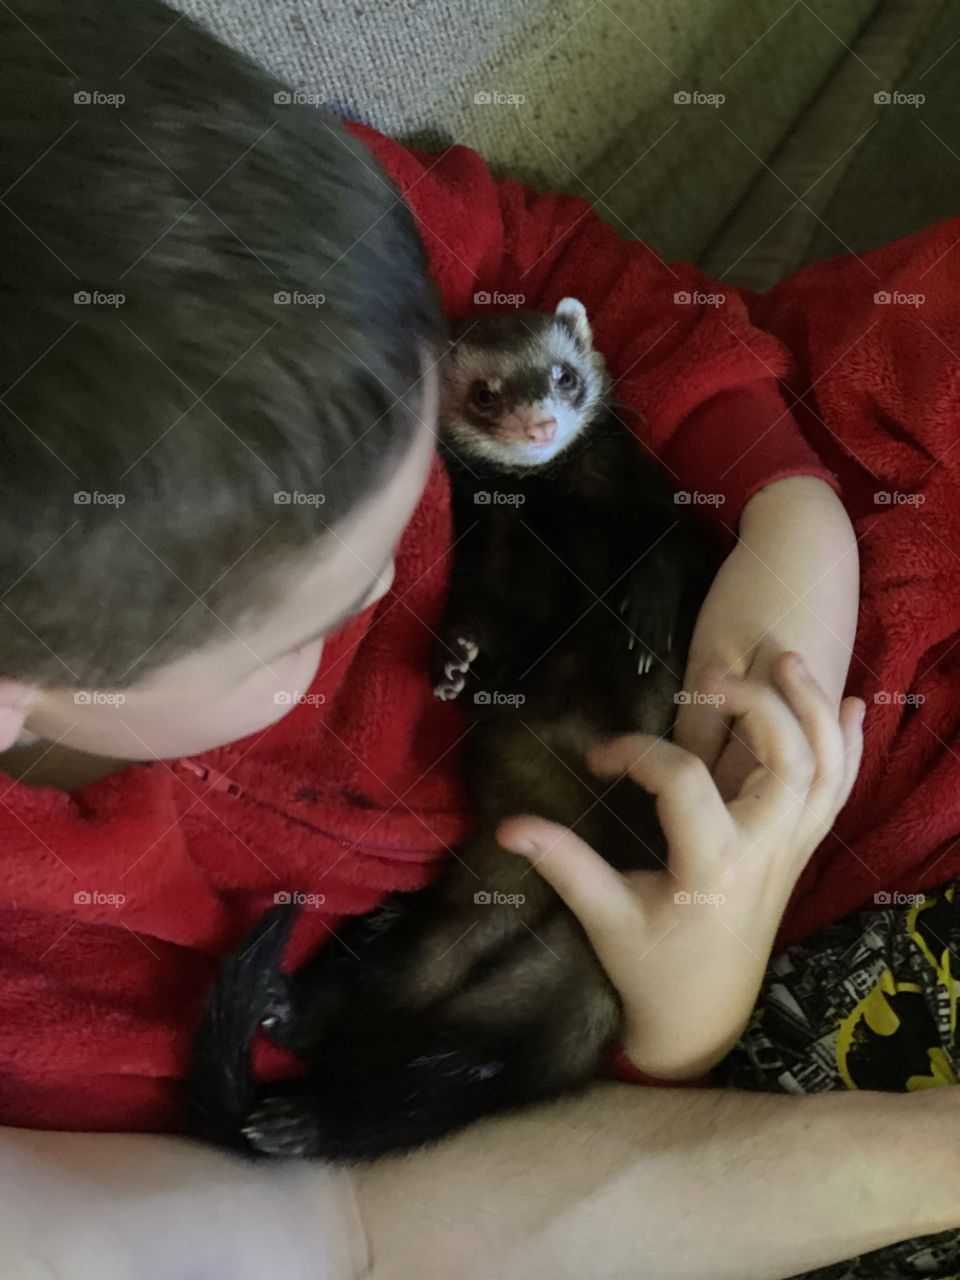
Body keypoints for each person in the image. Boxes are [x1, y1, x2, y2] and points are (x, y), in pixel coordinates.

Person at [1, 1, 958, 1277]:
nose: (394, 583)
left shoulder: (298, 247)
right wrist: (690, 1003)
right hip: (634, 959)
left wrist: (793, 520)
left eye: (410, 503)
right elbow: (383, 1181)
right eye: (315, 617)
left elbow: (541, 252)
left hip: (788, 613)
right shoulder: (67, 989)